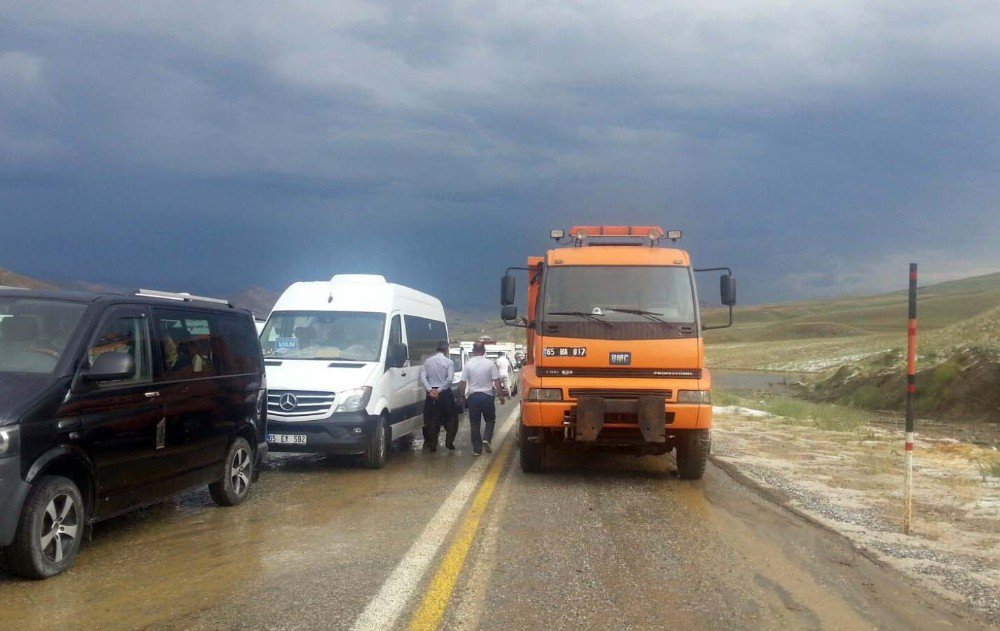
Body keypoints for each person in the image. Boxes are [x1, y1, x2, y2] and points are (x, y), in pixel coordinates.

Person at [459, 341, 506, 456]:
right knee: (490, 419)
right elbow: (497, 381)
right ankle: (486, 438)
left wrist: (462, 397)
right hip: (487, 397)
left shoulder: (468, 364)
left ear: (473, 351)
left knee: (474, 423)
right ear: (484, 351)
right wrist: (500, 396)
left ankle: (477, 449)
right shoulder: (490, 364)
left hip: (473, 397)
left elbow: (462, 383)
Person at [419, 340, 457, 452]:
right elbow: (449, 379)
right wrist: (439, 390)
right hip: (444, 394)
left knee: (431, 420)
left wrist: (431, 390)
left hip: (431, 395)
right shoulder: (448, 362)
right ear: (446, 349)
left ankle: (433, 445)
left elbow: (423, 378)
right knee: (451, 419)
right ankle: (449, 442)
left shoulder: (427, 361)